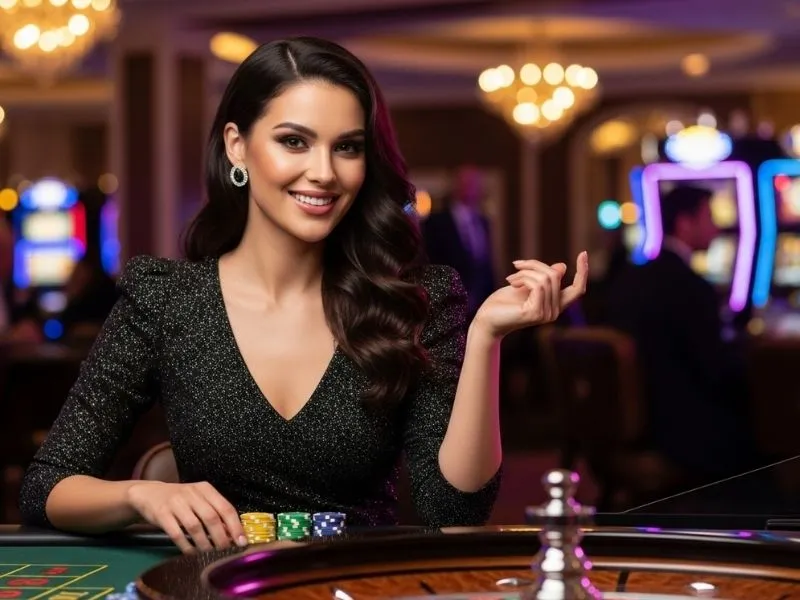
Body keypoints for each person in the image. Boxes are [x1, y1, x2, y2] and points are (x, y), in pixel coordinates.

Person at [19, 37, 588, 554]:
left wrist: (485, 336)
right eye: (294, 141)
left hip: (354, 585)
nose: (324, 173)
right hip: (216, 587)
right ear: (237, 146)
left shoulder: (415, 302)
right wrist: (141, 495)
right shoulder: (165, 300)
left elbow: (454, 514)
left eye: (347, 147)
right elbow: (47, 488)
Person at [605, 185, 755, 484]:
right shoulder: (691, 287)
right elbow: (716, 370)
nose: (717, 227)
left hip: (633, 425)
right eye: (709, 217)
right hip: (685, 433)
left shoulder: (629, 279)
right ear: (685, 223)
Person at [422, 165, 496, 318]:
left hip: (480, 305)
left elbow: (486, 263)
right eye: (467, 183)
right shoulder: (436, 222)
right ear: (456, 185)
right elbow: (431, 263)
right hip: (447, 305)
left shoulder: (483, 221)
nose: (471, 188)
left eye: (475, 184)